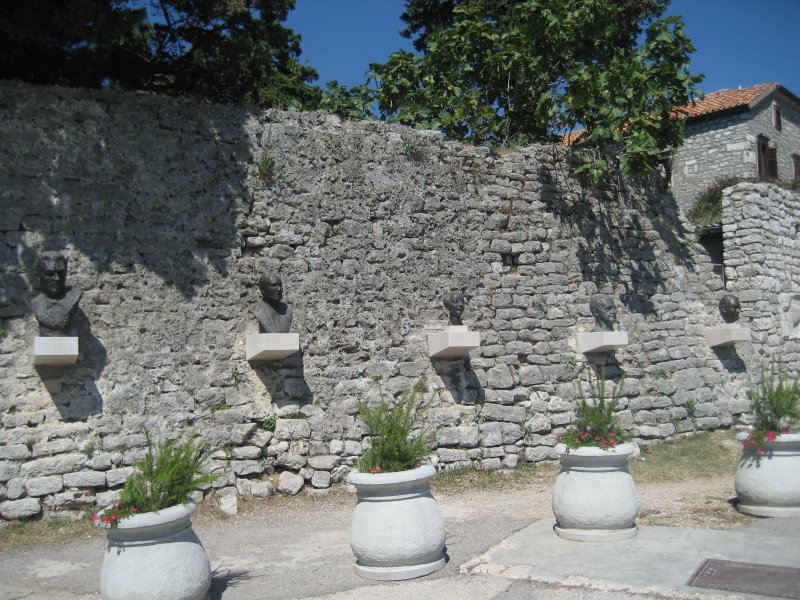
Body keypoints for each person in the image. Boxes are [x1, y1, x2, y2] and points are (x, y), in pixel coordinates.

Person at [31, 251, 83, 336]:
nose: (57, 278)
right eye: (49, 274)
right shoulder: (36, 303)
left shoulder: (74, 295)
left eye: (61, 273)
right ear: (38, 275)